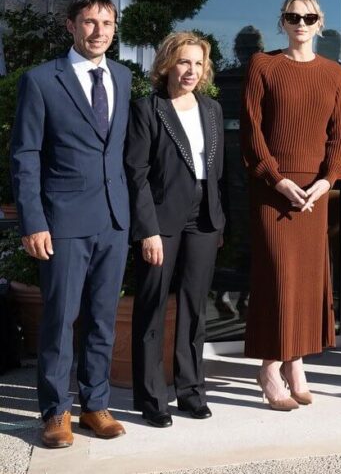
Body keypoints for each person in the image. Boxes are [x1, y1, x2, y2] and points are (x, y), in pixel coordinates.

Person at [10, 0, 131, 447]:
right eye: (89, 22)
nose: (98, 30)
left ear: (114, 28)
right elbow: (25, 156)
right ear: (70, 26)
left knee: (102, 318)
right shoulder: (42, 81)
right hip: (61, 223)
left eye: (106, 22)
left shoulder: (122, 75)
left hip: (113, 222)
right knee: (60, 321)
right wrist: (33, 222)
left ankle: (95, 405)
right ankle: (55, 411)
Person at [241, 0, 341, 411]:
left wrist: (327, 182)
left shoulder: (333, 73)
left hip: (315, 193)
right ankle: (270, 366)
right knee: (276, 276)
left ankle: (296, 363)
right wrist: (279, 181)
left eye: (308, 17)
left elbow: (340, 135)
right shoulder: (263, 66)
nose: (300, 23)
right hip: (274, 190)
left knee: (306, 279)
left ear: (319, 22)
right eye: (292, 16)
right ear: (282, 22)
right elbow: (252, 133)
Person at [125, 32, 225, 427]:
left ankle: (191, 391)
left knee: (195, 309)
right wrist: (147, 230)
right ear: (167, 63)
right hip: (161, 222)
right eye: (184, 62)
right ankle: (151, 398)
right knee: (151, 309)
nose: (191, 71)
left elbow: (219, 169)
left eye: (198, 64)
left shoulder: (212, 109)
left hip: (204, 219)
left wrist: (220, 221)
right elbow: (136, 174)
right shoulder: (148, 109)